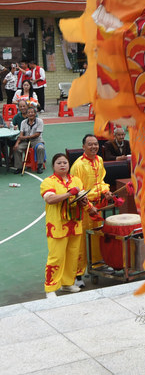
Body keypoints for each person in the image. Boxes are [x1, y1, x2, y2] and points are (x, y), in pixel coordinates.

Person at [40, 153, 87, 295]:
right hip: (57, 226)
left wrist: (86, 203)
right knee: (56, 257)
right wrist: (68, 194)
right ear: (53, 166)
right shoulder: (48, 182)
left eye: (65, 162)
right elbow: (50, 199)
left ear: (69, 165)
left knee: (73, 256)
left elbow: (83, 197)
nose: (62, 165)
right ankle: (51, 288)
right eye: (59, 163)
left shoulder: (76, 180)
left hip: (75, 225)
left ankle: (67, 283)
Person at [70, 134, 113, 288]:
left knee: (96, 237)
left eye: (95, 144)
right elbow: (77, 191)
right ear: (83, 147)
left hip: (98, 206)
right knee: (80, 241)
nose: (93, 147)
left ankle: (97, 265)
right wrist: (89, 207)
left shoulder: (99, 160)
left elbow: (100, 181)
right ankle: (78, 275)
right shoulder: (78, 165)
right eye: (90, 144)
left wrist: (106, 191)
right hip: (84, 210)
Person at [13, 105, 45, 170]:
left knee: (40, 148)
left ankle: (39, 166)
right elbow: (21, 134)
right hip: (26, 141)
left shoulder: (40, 121)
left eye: (32, 112)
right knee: (17, 149)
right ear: (27, 115)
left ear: (35, 114)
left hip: (37, 140)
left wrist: (25, 137)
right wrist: (17, 143)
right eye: (29, 113)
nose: (31, 114)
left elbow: (37, 134)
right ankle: (19, 167)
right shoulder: (23, 122)